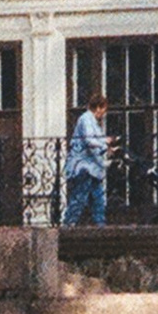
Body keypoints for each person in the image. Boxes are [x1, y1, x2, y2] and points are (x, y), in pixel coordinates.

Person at [64, 86, 109, 226]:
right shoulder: (86, 119)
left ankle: (100, 226)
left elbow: (96, 143)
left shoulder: (92, 122)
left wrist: (106, 147)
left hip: (93, 169)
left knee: (98, 199)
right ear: (99, 108)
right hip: (83, 167)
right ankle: (68, 225)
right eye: (104, 110)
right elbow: (89, 140)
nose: (104, 114)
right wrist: (105, 144)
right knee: (80, 198)